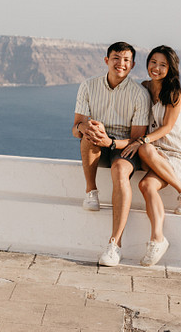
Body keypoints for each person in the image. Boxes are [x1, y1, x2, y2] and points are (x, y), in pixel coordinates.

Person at [72, 41, 150, 267]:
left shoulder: (139, 94)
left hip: (125, 147)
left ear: (133, 65)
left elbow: (137, 140)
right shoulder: (88, 86)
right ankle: (91, 192)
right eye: (116, 58)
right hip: (98, 141)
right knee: (88, 134)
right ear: (107, 61)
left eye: (126, 60)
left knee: (119, 170)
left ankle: (115, 245)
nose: (121, 63)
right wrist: (85, 128)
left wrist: (111, 141)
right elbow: (75, 127)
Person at [121, 45, 181, 267]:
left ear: (170, 68)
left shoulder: (174, 93)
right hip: (155, 154)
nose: (156, 68)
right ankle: (158, 239)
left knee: (144, 150)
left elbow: (166, 128)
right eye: (153, 62)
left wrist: (142, 140)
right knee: (146, 186)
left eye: (162, 64)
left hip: (175, 154)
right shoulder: (144, 88)